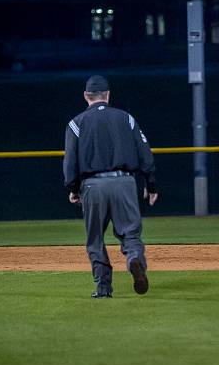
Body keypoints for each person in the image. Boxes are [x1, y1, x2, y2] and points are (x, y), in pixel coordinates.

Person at [63, 75, 158, 298]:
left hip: (92, 186)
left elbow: (70, 162)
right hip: (124, 182)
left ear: (86, 96)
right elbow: (146, 154)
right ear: (108, 95)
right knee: (130, 233)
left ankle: (103, 288)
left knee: (95, 238)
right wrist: (151, 184)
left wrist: (73, 188)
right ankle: (134, 258)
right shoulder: (126, 118)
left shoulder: (76, 123)